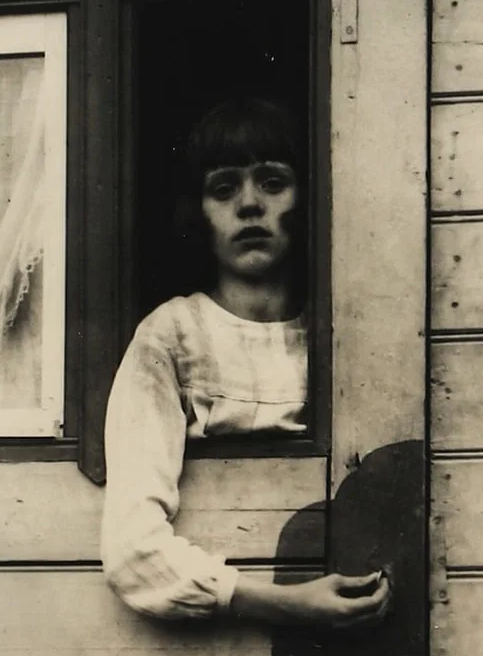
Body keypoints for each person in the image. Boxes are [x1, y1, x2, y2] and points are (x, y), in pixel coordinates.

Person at [100, 98, 390, 628]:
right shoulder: (171, 336)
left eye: (273, 183)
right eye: (224, 188)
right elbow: (131, 549)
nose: (250, 205)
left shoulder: (348, 333)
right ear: (199, 212)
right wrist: (285, 603)